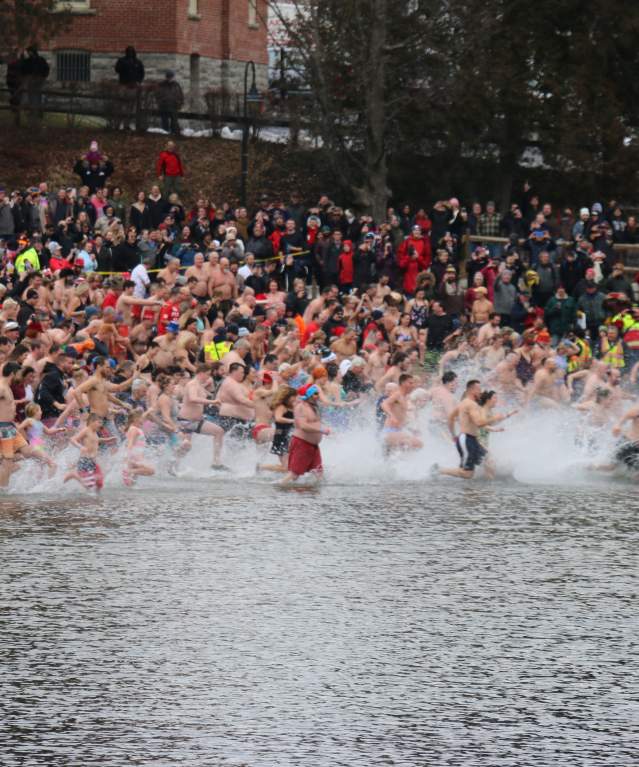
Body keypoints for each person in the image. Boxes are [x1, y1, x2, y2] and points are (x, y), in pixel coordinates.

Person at [435, 379, 515, 480]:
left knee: (489, 462)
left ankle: (488, 489)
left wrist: (454, 435)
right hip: (467, 439)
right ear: (472, 390)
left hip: (471, 439)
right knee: (467, 474)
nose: (480, 392)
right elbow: (479, 423)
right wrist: (495, 418)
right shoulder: (471, 404)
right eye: (479, 389)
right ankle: (438, 470)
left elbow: (451, 418)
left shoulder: (464, 403)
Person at [280, 383, 329, 483]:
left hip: (313, 446)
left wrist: (327, 429)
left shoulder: (314, 407)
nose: (317, 396)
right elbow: (303, 426)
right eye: (315, 394)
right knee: (294, 474)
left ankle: (321, 495)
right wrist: (321, 430)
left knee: (318, 473)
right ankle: (278, 489)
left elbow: (316, 423)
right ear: (308, 395)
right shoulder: (301, 407)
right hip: (302, 444)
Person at [63, 414, 107, 492]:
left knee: (100, 483)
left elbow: (95, 440)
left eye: (101, 423)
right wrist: (80, 447)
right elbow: (73, 439)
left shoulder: (95, 433)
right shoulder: (86, 430)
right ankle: (73, 475)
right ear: (91, 422)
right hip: (85, 460)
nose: (101, 425)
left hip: (93, 461)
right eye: (99, 422)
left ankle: (97, 498)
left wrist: (107, 439)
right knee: (88, 485)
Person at [381, 373, 423, 452]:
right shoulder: (397, 394)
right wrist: (392, 416)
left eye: (413, 383)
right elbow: (384, 404)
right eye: (410, 383)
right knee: (413, 443)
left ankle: (403, 463)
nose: (413, 385)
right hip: (390, 431)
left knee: (418, 443)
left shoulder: (406, 397)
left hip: (399, 431)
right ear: (403, 383)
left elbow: (402, 415)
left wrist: (412, 429)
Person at [122, 409, 155, 486]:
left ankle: (129, 495)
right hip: (134, 457)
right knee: (151, 470)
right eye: (141, 418)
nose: (143, 420)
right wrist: (127, 457)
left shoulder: (135, 428)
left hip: (137, 456)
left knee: (131, 484)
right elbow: (130, 444)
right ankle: (128, 471)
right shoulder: (134, 429)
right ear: (135, 419)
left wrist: (148, 411)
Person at [156, 71, 184, 135]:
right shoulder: (161, 85)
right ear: (166, 77)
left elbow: (180, 95)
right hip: (164, 105)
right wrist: (161, 102)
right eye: (169, 77)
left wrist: (180, 103)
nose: (170, 79)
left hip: (174, 105)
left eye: (171, 77)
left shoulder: (176, 85)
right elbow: (158, 95)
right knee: (165, 121)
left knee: (174, 121)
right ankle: (165, 132)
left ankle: (174, 133)